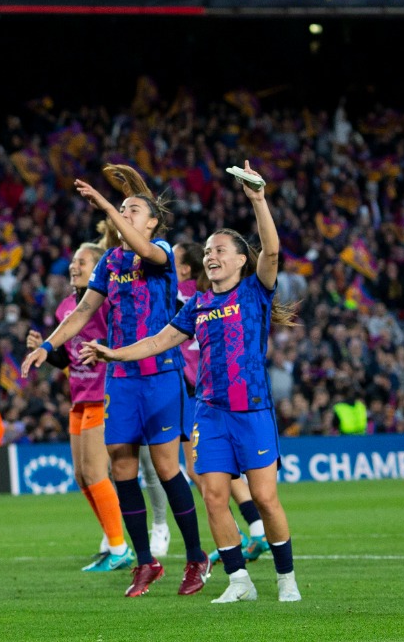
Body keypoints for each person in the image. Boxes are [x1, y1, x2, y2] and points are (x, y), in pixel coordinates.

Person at [83, 161, 302, 603]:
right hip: (210, 413)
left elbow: (273, 252)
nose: (211, 255)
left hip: (252, 410)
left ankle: (285, 578)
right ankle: (239, 580)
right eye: (207, 250)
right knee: (215, 497)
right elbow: (158, 340)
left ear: (241, 259)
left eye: (221, 249)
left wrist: (258, 200)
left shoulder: (255, 291)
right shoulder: (197, 304)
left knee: (264, 497)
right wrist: (114, 352)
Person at [19, 165, 210, 598]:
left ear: (152, 222)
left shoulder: (158, 251)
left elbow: (143, 245)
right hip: (120, 379)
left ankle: (196, 556)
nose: (125, 213)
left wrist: (107, 203)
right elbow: (82, 312)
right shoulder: (111, 262)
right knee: (122, 469)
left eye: (133, 209)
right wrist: (47, 347)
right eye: (122, 208)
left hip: (160, 375)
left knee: (164, 468)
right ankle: (145, 562)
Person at [26, 242, 135, 573]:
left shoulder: (103, 303)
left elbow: (120, 339)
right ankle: (111, 540)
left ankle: (119, 548)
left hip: (103, 393)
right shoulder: (64, 309)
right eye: (73, 261)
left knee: (94, 472)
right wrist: (44, 350)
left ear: (97, 267)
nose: (75, 266)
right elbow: (67, 359)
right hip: (78, 394)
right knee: (81, 476)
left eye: (83, 261)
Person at [175, 242, 270, 567]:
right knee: (218, 469)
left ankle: (247, 533)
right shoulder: (201, 295)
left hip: (197, 391)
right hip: (207, 390)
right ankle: (255, 528)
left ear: (185, 268)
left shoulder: (183, 297)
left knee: (203, 469)